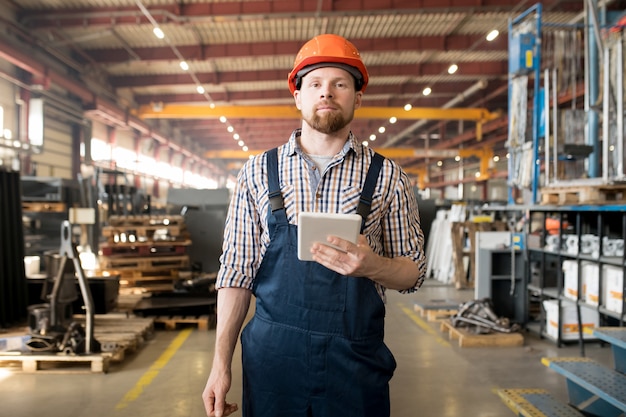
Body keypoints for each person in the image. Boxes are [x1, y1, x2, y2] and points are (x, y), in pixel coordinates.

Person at [202, 33, 426, 417]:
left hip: (354, 364)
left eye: (340, 84)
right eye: (316, 84)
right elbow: (236, 276)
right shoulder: (257, 173)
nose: (327, 93)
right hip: (273, 364)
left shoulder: (388, 177)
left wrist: (373, 266)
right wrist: (220, 365)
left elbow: (413, 272)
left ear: (357, 97)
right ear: (298, 95)